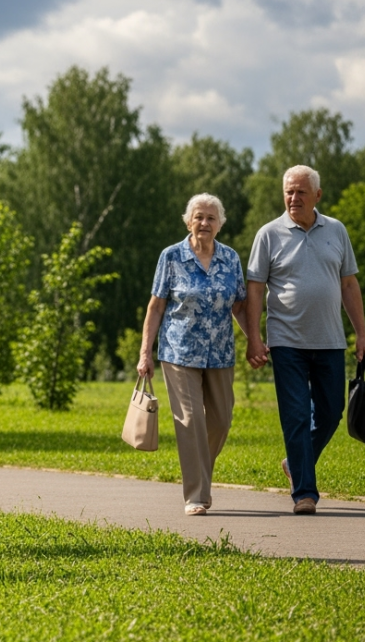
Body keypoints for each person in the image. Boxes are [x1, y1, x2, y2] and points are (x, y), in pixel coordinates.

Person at [245, 165, 365, 515]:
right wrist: (254, 338)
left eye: (300, 192)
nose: (293, 198)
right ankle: (305, 492)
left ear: (317, 195)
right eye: (288, 191)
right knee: (296, 415)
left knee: (331, 412)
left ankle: (294, 463)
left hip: (330, 340)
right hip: (286, 342)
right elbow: (254, 289)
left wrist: (361, 334)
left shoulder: (336, 230)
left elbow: (349, 284)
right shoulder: (269, 234)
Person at [137, 194, 249, 516]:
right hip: (179, 352)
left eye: (211, 218)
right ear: (189, 221)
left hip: (221, 353)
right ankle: (196, 495)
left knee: (221, 421)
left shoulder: (230, 258)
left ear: (220, 224)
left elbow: (239, 306)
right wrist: (146, 352)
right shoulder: (171, 257)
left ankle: (199, 469)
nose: (204, 223)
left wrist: (255, 341)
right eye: (198, 217)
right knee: (191, 420)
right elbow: (156, 306)